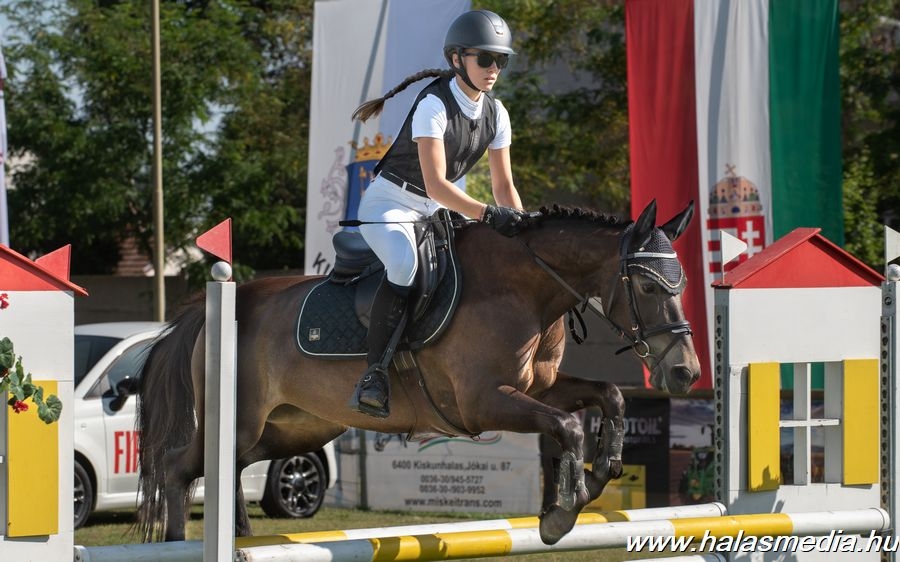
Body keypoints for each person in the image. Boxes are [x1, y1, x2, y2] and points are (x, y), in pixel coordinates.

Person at [348, 9, 529, 418]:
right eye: (485, 58)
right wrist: (488, 215)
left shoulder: (498, 113)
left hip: (436, 211)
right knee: (403, 264)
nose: (494, 69)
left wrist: (522, 230)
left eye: (501, 60)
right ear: (456, 59)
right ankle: (374, 374)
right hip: (391, 204)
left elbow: (503, 186)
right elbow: (436, 184)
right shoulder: (433, 104)